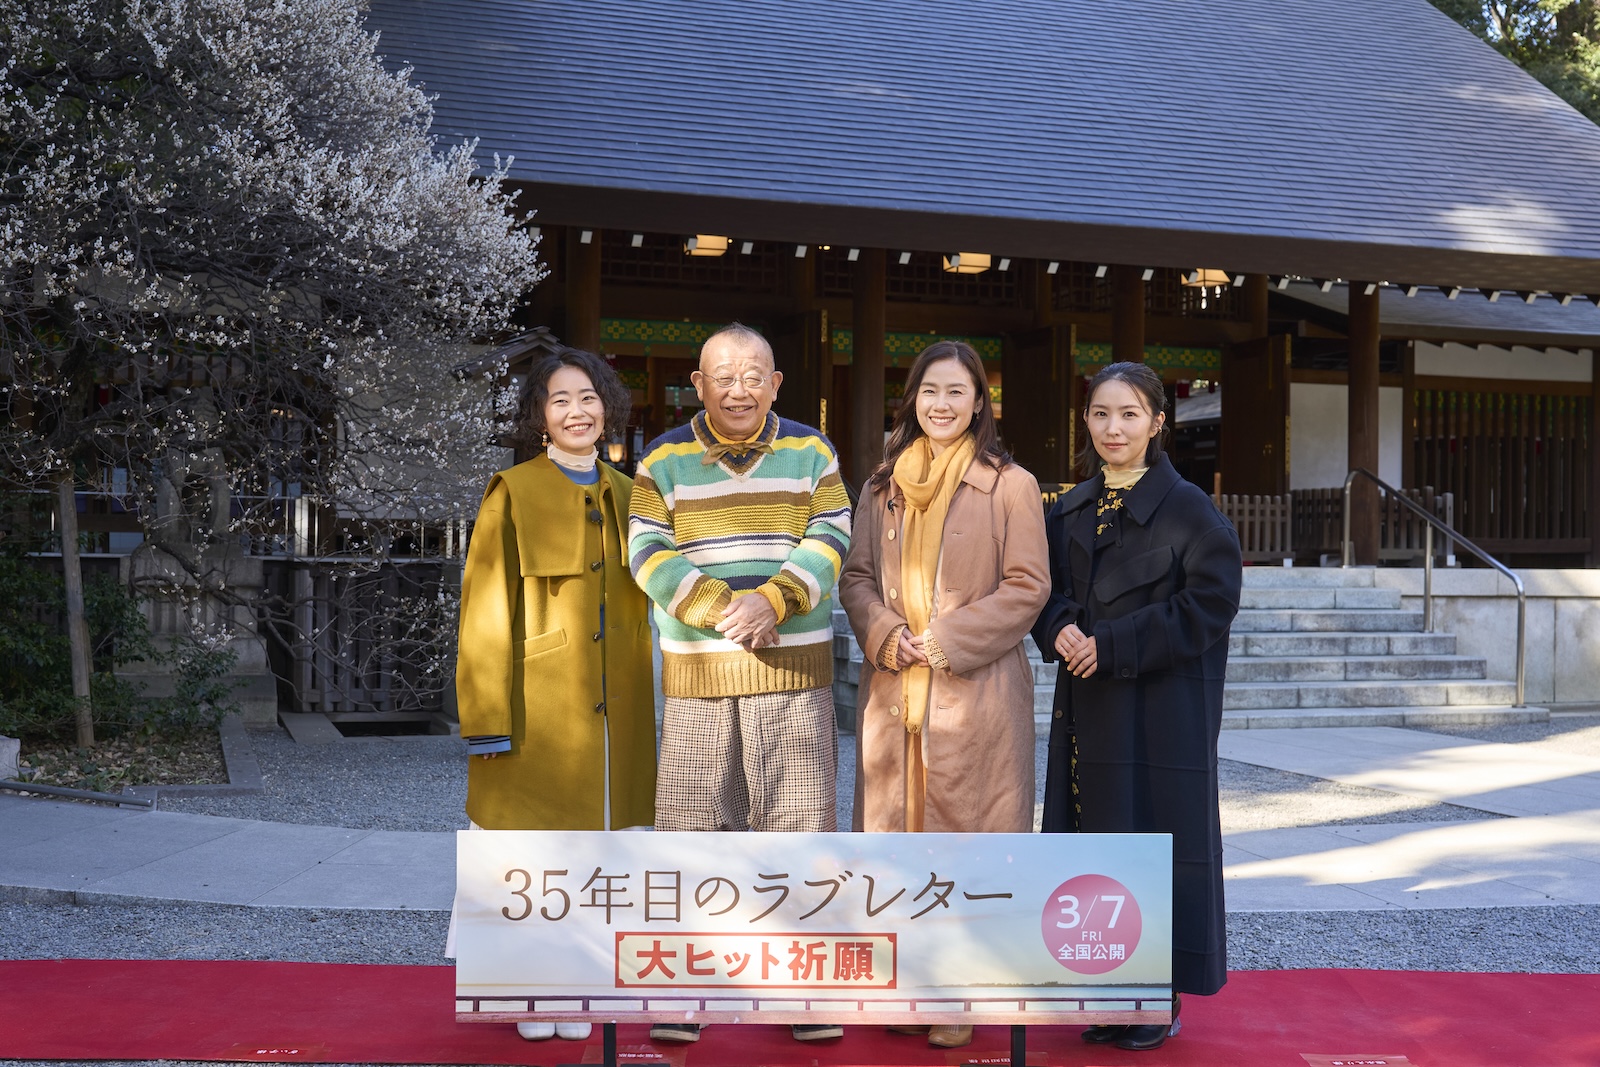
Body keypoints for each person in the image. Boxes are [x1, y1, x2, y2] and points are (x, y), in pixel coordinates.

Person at [628, 322, 852, 1045]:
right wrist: (723, 607)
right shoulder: (660, 459)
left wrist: (777, 597)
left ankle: (802, 988)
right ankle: (681, 987)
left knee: (800, 823)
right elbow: (645, 549)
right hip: (697, 669)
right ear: (696, 383)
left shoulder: (811, 449)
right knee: (693, 826)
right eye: (723, 374)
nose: (738, 387)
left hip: (793, 665)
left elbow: (833, 533)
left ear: (777, 383)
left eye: (755, 373)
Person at [837, 339, 1050, 1049]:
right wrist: (884, 629)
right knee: (897, 838)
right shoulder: (881, 485)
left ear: (980, 402)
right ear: (913, 399)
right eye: (931, 390)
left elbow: (1028, 586)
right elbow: (856, 576)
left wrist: (948, 638)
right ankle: (902, 981)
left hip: (976, 688)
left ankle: (959, 989)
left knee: (968, 837)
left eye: (958, 392)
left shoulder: (1010, 484)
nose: (942, 404)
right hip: (895, 685)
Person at [1031, 361, 1242, 1052]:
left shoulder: (1191, 511)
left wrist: (1111, 642)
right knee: (1099, 842)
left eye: (1127, 414)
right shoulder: (1066, 507)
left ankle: (1155, 998)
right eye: (1099, 414)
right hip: (1088, 710)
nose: (1112, 428)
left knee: (1155, 840)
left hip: (1161, 713)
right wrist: (1058, 625)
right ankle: (1107, 986)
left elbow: (1209, 605)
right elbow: (1044, 590)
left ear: (1157, 421)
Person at [454, 347, 657, 1043]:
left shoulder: (633, 495)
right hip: (539, 705)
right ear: (540, 416)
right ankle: (532, 985)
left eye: (589, 397)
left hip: (620, 711)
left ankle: (581, 980)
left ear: (608, 409)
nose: (577, 411)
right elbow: (484, 611)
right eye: (561, 399)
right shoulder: (511, 490)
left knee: (600, 855)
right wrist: (486, 717)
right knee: (534, 853)